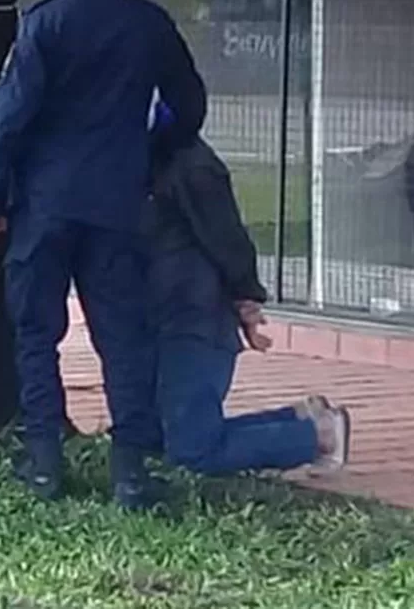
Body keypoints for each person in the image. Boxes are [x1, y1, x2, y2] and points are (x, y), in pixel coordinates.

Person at [0, 0, 207, 510]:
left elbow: (6, 120)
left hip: (44, 204)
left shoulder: (43, 25)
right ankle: (131, 471)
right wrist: (147, 148)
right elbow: (190, 106)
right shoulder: (148, 24)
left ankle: (44, 462)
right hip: (117, 203)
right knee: (124, 334)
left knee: (35, 331)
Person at [145, 100, 351, 475]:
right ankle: (300, 420)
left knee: (191, 452)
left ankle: (318, 437)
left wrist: (246, 300)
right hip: (170, 315)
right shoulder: (145, 161)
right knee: (160, 440)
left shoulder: (189, 166)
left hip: (193, 318)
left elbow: (228, 240)